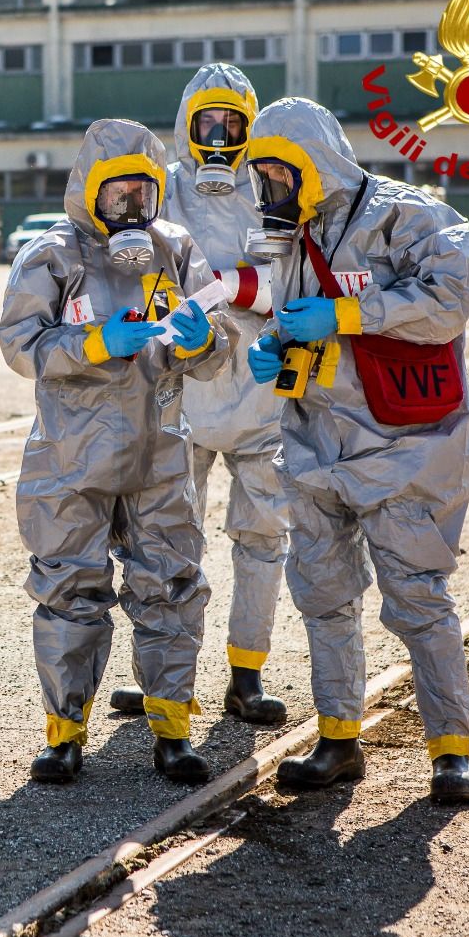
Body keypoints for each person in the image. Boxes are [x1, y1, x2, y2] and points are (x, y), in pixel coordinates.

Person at [243, 96, 469, 803]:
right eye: (262, 178)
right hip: (316, 440)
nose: (269, 191)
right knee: (324, 596)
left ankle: (451, 751)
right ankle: (339, 740)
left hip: (404, 443)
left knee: (417, 596)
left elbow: (448, 302)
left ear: (312, 164)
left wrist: (347, 313)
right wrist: (272, 347)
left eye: (278, 175)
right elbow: (292, 321)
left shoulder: (412, 215)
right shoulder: (294, 236)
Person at [0, 119, 235, 785]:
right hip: (71, 457)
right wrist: (94, 344)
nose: (132, 208)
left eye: (143, 192)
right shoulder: (53, 256)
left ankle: (172, 730)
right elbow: (20, 347)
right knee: (70, 589)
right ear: (90, 194)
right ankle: (64, 731)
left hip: (160, 453)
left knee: (172, 587)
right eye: (118, 194)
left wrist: (199, 342)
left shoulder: (176, 249)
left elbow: (219, 349)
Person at [110, 63, 289, 726]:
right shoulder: (159, 193)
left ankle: (247, 672)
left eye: (231, 124)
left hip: (259, 395)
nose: (217, 136)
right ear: (187, 124)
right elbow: (127, 272)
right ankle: (161, 674)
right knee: (162, 538)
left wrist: (239, 287)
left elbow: (292, 280)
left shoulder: (275, 190)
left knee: (262, 538)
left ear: (250, 126)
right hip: (178, 391)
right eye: (205, 123)